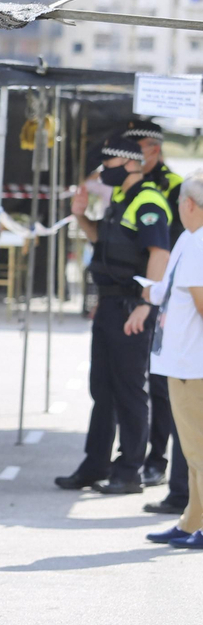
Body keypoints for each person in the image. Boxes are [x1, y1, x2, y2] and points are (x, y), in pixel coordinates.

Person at [55, 136, 174, 494]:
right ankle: (95, 465)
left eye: (107, 165)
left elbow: (160, 254)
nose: (102, 172)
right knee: (102, 389)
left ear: (128, 163)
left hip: (131, 309)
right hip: (109, 306)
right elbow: (101, 243)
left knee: (129, 391)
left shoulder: (148, 201)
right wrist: (80, 216)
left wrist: (146, 303)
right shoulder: (120, 199)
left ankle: (128, 472)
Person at [122, 120, 189, 506]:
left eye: (144, 146)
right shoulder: (126, 186)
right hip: (136, 291)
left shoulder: (178, 187)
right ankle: (140, 453)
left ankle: (158, 459)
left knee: (163, 384)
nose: (139, 154)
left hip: (170, 296)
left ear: (157, 148)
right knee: (136, 381)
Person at [144, 173, 203, 548]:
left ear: (189, 204)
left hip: (192, 364)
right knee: (192, 451)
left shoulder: (198, 244)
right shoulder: (189, 239)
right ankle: (190, 520)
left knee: (198, 450)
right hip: (181, 360)